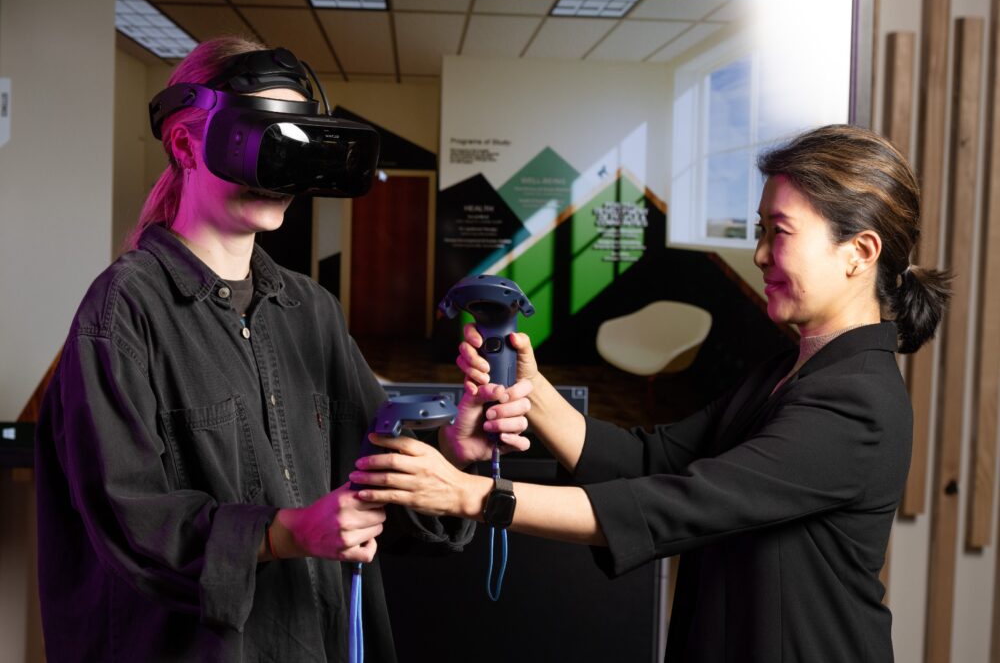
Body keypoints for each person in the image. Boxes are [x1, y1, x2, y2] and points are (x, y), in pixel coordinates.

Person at [350, 124, 952, 662]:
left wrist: (473, 495)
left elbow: (679, 502)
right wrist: (533, 392)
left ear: (860, 253)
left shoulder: (860, 402)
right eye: (760, 230)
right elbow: (653, 460)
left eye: (781, 232)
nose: (761, 254)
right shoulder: (785, 370)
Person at [34, 36, 527, 663]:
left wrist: (452, 454)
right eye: (257, 140)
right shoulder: (122, 312)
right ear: (186, 145)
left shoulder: (310, 309)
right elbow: (131, 526)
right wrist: (286, 531)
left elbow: (370, 486)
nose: (278, 169)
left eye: (294, 144)